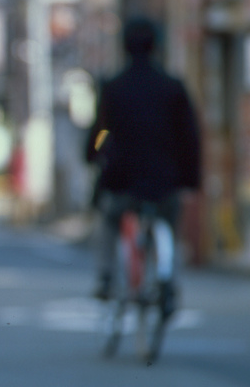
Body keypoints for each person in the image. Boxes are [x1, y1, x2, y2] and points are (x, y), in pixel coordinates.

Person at [85, 16, 200, 315]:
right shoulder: (173, 88)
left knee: (109, 221)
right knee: (169, 226)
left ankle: (106, 277)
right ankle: (168, 284)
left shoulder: (114, 87)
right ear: (156, 47)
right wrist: (189, 179)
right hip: (165, 180)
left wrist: (93, 154)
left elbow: (100, 132)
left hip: (123, 179)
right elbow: (189, 138)